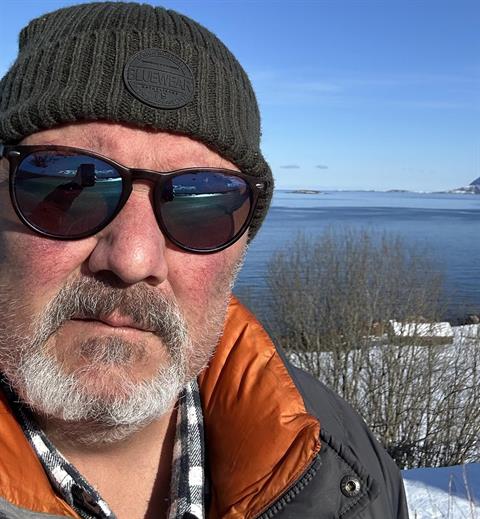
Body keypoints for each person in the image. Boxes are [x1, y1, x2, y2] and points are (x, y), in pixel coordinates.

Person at [0, 2, 409, 518]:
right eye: (65, 186)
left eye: (201, 205)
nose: (133, 259)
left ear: (239, 245)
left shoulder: (341, 463)